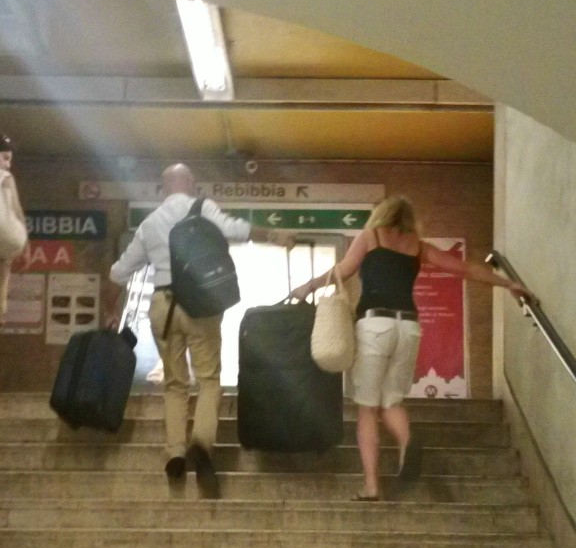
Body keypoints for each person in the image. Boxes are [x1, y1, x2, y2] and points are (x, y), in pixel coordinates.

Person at [291, 195, 530, 501]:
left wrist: (308, 287)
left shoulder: (370, 237)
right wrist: (508, 284)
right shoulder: (419, 247)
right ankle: (406, 441)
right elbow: (464, 269)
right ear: (409, 220)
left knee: (367, 407)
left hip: (375, 326)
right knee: (391, 400)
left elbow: (344, 269)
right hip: (409, 328)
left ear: (381, 215)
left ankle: (372, 486)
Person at [107, 162, 291, 498]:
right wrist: (272, 236)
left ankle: (175, 452)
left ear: (163, 188)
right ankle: (202, 444)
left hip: (163, 306)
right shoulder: (202, 207)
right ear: (191, 183)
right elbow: (234, 229)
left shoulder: (149, 224)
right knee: (208, 378)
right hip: (200, 305)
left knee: (175, 384)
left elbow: (119, 272)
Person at [0, 134, 27, 328]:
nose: (8, 165)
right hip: (9, 236)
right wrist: (26, 244)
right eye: (5, 158)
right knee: (4, 268)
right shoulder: (6, 177)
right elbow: (16, 209)